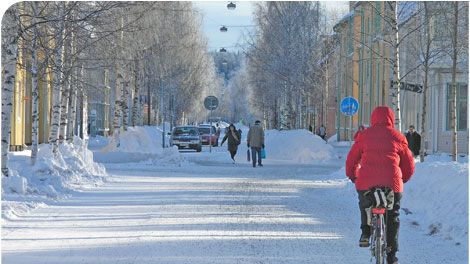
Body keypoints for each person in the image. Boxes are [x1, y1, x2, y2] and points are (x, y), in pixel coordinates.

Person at [346, 106, 415, 264]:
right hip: (392, 183)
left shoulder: (364, 136)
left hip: (366, 183)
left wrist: (352, 175)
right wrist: (404, 178)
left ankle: (365, 232)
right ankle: (391, 255)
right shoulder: (398, 137)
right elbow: (409, 163)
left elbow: (351, 159)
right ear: (391, 119)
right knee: (393, 216)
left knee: (365, 204)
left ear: (373, 119)